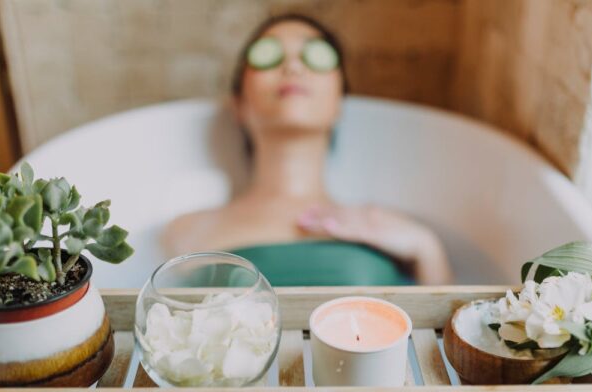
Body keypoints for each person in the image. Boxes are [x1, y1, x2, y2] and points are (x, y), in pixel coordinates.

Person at [162, 14, 452, 285]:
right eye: (269, 55)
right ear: (239, 104)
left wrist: (427, 249)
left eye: (314, 56)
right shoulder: (186, 232)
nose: (293, 67)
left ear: (340, 100)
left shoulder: (393, 231)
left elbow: (448, 332)